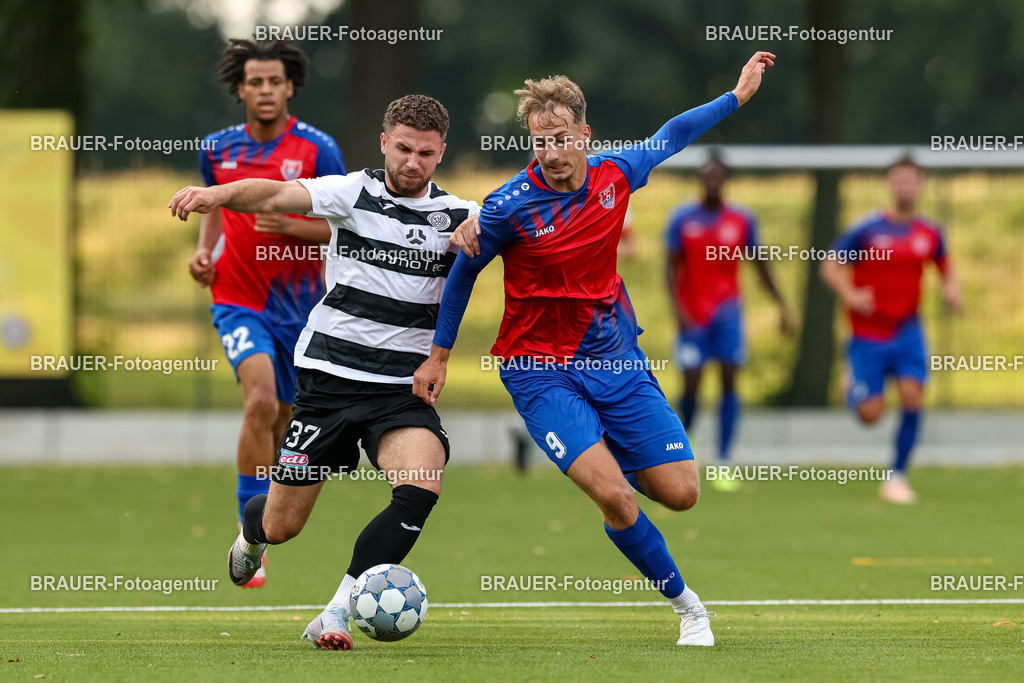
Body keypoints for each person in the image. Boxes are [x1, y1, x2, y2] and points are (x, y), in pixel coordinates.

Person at [414, 52, 776, 646]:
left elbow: (674, 133)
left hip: (614, 359)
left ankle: (608, 458)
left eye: (561, 139)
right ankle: (689, 609)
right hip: (538, 370)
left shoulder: (617, 173)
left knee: (681, 493)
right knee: (614, 494)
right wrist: (440, 353)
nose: (552, 153)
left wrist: (735, 95)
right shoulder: (507, 206)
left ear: (585, 134)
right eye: (540, 142)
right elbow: (462, 275)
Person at [171, 95, 478, 649]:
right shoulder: (350, 192)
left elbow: (525, 231)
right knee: (282, 525)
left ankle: (335, 612)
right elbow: (274, 193)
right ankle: (251, 535)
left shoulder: (460, 216)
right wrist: (217, 194)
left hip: (400, 390)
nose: (413, 162)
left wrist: (483, 230)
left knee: (420, 485)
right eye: (403, 148)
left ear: (441, 153)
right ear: (384, 142)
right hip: (328, 381)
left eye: (426, 153)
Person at [189, 38, 345, 587]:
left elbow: (346, 225)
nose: (265, 90)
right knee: (258, 403)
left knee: (282, 418)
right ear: (240, 88)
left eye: (274, 81)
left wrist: (293, 227)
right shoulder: (217, 149)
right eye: (254, 81)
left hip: (301, 309)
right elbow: (215, 205)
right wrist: (206, 253)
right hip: (237, 300)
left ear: (290, 87)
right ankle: (247, 533)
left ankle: (266, 517)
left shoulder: (318, 149)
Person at [821, 155, 962, 504]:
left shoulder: (929, 232)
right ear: (890, 184)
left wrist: (951, 290)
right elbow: (830, 265)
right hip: (868, 334)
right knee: (871, 415)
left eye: (911, 180)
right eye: (899, 180)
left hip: (907, 330)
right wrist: (850, 294)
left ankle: (896, 476)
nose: (905, 187)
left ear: (920, 185)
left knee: (913, 396)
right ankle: (852, 379)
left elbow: (945, 268)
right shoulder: (868, 229)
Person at [665, 152, 792, 490]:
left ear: (725, 179)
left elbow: (760, 265)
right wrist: (678, 312)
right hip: (693, 317)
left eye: (717, 176)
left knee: (729, 383)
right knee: (691, 384)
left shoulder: (741, 219)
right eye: (707, 175)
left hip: (727, 315)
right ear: (699, 179)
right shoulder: (683, 219)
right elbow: (669, 270)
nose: (712, 181)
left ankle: (723, 460)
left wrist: (782, 306)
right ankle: (683, 448)